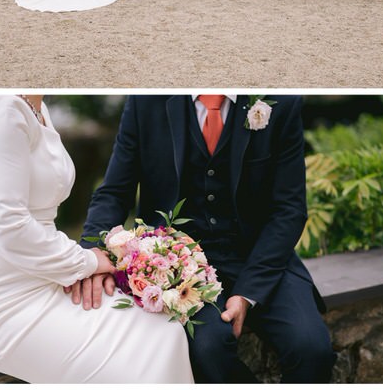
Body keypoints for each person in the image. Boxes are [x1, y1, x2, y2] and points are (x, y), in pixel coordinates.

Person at [78, 95, 335, 382]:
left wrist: (247, 294)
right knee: (208, 348)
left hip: (260, 254)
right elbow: (114, 192)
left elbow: (289, 209)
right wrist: (91, 255)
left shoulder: (279, 100)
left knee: (312, 350)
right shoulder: (146, 100)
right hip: (177, 267)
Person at [0, 95, 194, 383]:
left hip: (43, 276)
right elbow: (9, 227)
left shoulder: (38, 108)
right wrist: (85, 260)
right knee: (140, 356)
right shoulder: (1, 110)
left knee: (164, 332)